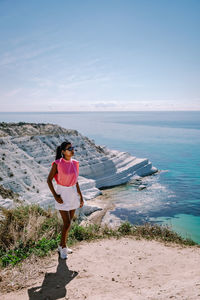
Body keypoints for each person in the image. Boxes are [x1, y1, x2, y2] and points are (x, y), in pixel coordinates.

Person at [47, 141, 84, 259]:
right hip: (62, 194)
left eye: (73, 148)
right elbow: (49, 180)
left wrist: (81, 196)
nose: (72, 150)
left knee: (69, 223)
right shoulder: (57, 164)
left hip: (73, 194)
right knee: (67, 223)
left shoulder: (75, 163)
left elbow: (76, 181)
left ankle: (63, 245)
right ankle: (62, 247)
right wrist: (55, 196)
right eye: (69, 148)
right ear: (63, 151)